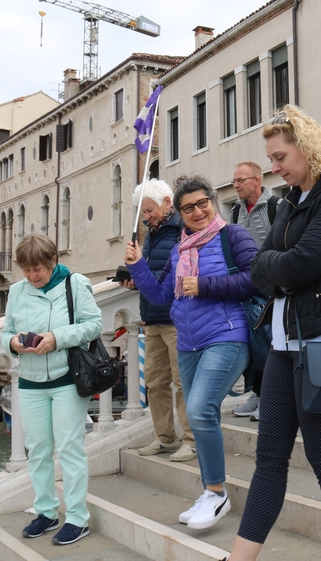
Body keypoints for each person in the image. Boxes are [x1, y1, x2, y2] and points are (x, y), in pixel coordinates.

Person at [229, 107, 321, 561]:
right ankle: (240, 557)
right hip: (285, 343)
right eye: (270, 158)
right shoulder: (288, 201)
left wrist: (281, 267)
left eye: (281, 155)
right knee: (269, 459)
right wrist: (281, 268)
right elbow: (261, 267)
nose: (275, 166)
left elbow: (300, 264)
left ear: (308, 148)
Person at [126, 176, 256, 530]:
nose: (197, 211)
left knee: (199, 408)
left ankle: (216, 492)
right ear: (180, 212)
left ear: (213, 202)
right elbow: (160, 296)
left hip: (227, 336)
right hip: (189, 342)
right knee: (203, 415)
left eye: (203, 203)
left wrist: (205, 285)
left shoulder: (233, 236)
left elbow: (257, 278)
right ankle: (210, 491)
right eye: (189, 207)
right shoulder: (179, 249)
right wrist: (138, 265)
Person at [0, 234, 102, 545]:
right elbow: (5, 331)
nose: (32, 276)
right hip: (30, 383)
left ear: (53, 261)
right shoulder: (17, 290)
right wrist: (13, 343)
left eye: (38, 269)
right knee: (38, 452)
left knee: (70, 448)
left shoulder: (75, 284)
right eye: (27, 270)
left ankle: (77, 518)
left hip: (67, 380)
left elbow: (94, 324)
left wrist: (56, 337)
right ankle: (46, 511)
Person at [128, 179, 196, 462]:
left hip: (176, 318)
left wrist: (141, 270)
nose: (147, 216)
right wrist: (134, 279)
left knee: (183, 382)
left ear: (168, 202)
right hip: (152, 317)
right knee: (155, 382)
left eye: (150, 209)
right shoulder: (153, 232)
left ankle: (192, 440)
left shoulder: (182, 229)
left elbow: (176, 274)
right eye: (143, 212)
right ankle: (166, 437)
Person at [229, 161, 278, 421]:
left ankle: (269, 399)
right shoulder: (234, 213)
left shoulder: (276, 207)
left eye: (241, 180)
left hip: (271, 289)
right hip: (246, 290)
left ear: (256, 180)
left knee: (271, 345)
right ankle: (258, 394)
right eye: (235, 181)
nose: (235, 185)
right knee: (255, 346)